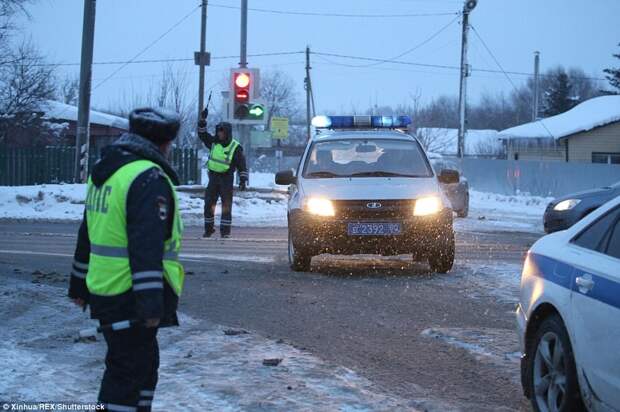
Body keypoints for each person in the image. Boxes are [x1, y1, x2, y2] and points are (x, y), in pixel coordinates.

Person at [68, 107, 185, 412]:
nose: (169, 150)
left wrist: (78, 285)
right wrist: (150, 305)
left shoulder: (108, 174)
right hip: (130, 296)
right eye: (169, 145)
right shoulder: (147, 178)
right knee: (127, 377)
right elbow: (146, 245)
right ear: (161, 143)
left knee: (142, 369)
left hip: (106, 290)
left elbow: (88, 232)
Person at [197, 109, 248, 238]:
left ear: (227, 133)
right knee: (209, 204)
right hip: (213, 177)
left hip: (226, 179)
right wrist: (203, 121)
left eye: (222, 131)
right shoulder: (214, 142)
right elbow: (202, 135)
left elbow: (241, 164)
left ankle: (225, 232)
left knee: (226, 206)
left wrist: (243, 179)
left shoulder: (235, 147)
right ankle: (208, 230)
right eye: (218, 130)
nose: (219, 133)